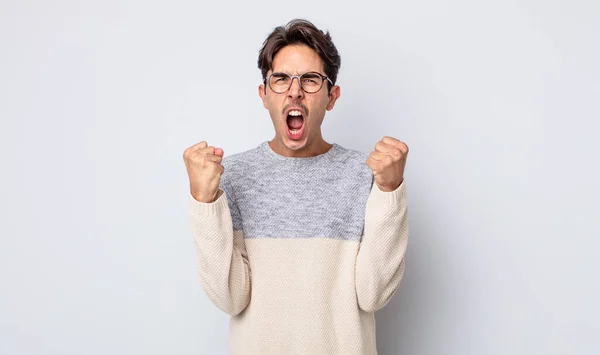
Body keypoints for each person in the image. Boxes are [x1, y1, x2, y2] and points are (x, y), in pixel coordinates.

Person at [183, 19, 409, 355]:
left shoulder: (367, 176)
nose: (294, 90)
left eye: (310, 79)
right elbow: (230, 297)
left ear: (332, 97)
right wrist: (204, 200)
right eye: (281, 79)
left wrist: (390, 191)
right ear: (264, 95)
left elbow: (373, 294)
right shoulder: (231, 177)